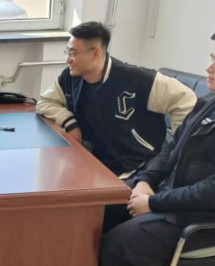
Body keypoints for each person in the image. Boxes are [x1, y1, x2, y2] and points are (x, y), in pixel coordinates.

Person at [93, 23, 215, 266]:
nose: (208, 68)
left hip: (212, 223)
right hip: (173, 200)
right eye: (212, 58)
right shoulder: (211, 102)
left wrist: (153, 203)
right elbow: (171, 150)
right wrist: (146, 181)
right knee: (99, 211)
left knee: (119, 243)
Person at [37, 21, 196, 182]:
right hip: (93, 160)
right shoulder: (71, 77)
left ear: (95, 53)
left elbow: (186, 100)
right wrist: (69, 122)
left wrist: (175, 151)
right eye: (67, 52)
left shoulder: (137, 79)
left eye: (73, 53)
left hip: (134, 168)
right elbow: (45, 102)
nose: (68, 59)